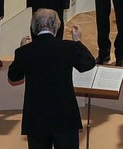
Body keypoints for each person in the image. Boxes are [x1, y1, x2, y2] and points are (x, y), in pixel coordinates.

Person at [8, 8, 95, 149]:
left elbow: (14, 76)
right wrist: (78, 41)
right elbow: (88, 63)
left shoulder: (24, 52)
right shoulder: (68, 47)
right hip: (64, 116)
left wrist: (22, 51)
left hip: (36, 118)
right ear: (56, 26)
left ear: (34, 27)